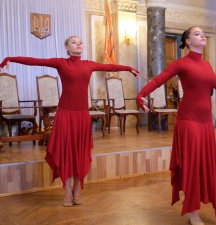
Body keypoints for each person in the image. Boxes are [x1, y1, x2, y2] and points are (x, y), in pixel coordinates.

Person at [0, 36, 139, 206]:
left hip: (81, 116)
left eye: (80, 42)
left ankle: (77, 190)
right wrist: (10, 59)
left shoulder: (89, 64)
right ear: (67, 47)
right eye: (74, 42)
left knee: (80, 153)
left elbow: (110, 66)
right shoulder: (61, 63)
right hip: (65, 115)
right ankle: (67, 192)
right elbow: (35, 61)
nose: (78, 44)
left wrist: (128, 68)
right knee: (66, 152)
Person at [136, 26, 216, 225]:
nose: (202, 35)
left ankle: (197, 204)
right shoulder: (181, 63)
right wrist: (141, 94)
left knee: (205, 165)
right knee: (192, 166)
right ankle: (192, 209)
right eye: (197, 33)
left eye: (203, 32)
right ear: (187, 41)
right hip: (189, 121)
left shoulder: (206, 64)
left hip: (206, 123)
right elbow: (159, 79)